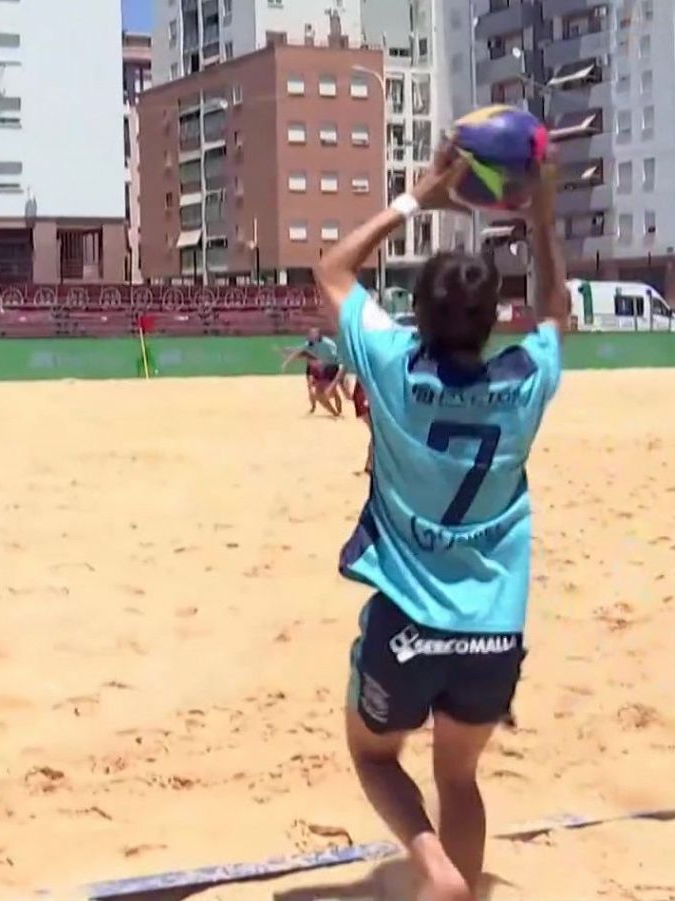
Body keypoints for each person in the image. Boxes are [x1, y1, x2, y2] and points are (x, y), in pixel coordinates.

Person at [314, 147, 565, 901]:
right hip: (494, 628)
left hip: (409, 621)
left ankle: (434, 870)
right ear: (494, 321)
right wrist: (543, 221)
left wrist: (416, 198)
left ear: (418, 313)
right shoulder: (525, 381)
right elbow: (556, 310)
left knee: (374, 756)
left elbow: (331, 269)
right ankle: (458, 887)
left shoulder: (393, 365)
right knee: (459, 775)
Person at [281, 327, 346, 416]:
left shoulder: (328, 343)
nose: (311, 336)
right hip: (322, 368)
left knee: (331, 391)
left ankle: (338, 411)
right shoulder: (310, 343)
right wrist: (286, 362)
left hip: (332, 367)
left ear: (319, 335)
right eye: (311, 335)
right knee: (319, 394)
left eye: (313, 334)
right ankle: (335, 413)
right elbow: (298, 351)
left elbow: (337, 356)